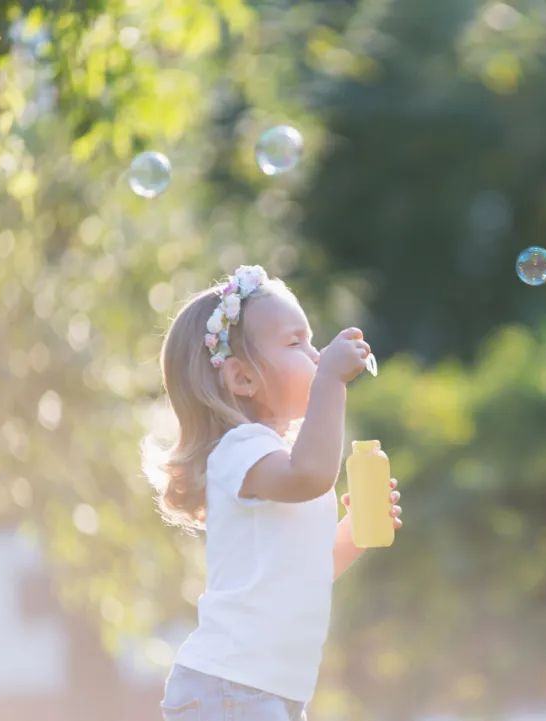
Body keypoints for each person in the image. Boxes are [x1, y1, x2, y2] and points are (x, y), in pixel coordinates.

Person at [141, 264, 404, 720]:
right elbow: (311, 474)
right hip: (231, 686)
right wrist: (331, 384)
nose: (316, 354)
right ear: (242, 379)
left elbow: (308, 571)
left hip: (262, 690)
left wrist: (356, 530)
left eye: (311, 340)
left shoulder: (275, 458)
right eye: (295, 343)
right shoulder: (241, 451)